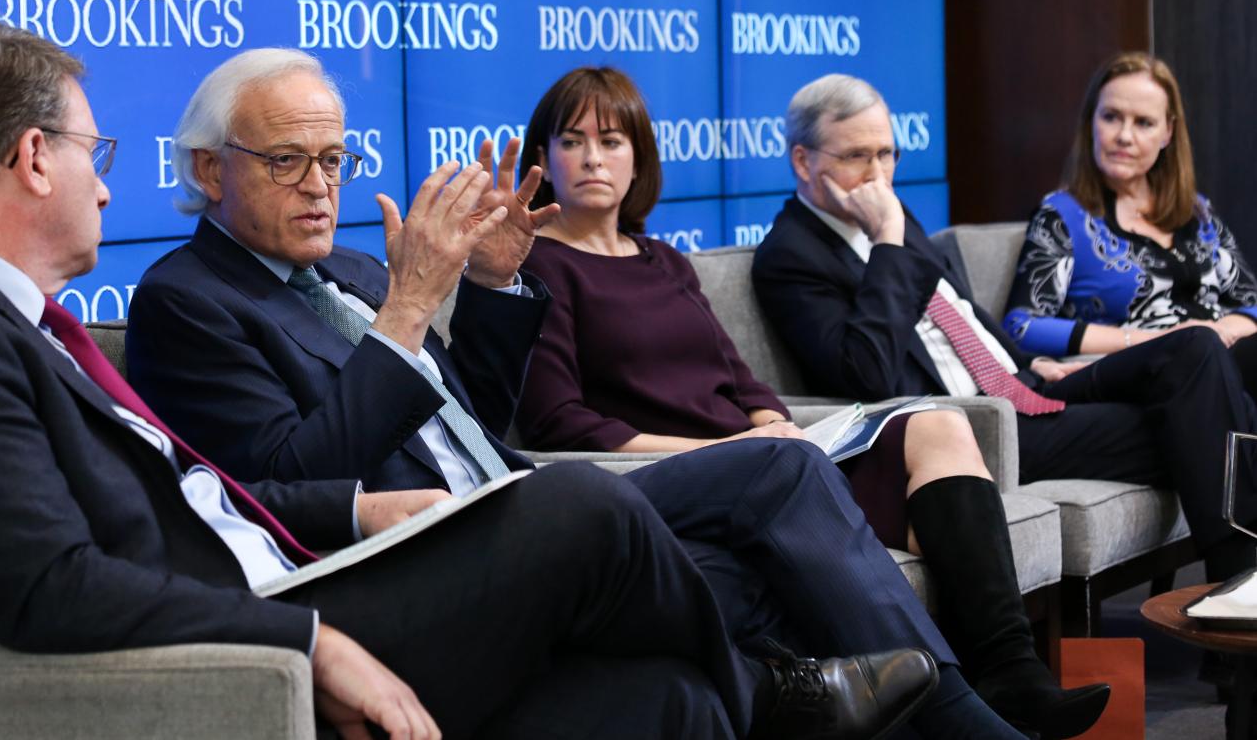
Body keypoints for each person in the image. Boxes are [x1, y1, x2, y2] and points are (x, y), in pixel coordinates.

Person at [0, 20, 941, 740]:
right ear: (33, 158)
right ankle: (782, 694)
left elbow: (259, 485)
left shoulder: (12, 325)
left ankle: (808, 699)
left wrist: (479, 303)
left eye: (333, 160)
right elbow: (53, 587)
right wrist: (309, 639)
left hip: (340, 560)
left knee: (667, 701)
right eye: (92, 155)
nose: (106, 189)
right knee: (583, 506)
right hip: (273, 619)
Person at [127, 46, 1033, 740]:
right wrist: (404, 315)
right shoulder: (187, 301)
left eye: (334, 159)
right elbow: (279, 479)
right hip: (440, 551)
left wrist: (490, 287)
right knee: (687, 576)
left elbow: (472, 416)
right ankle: (813, 696)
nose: (321, 186)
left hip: (512, 495)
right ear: (208, 170)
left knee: (779, 471)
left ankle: (952, 706)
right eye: (288, 161)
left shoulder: (355, 269)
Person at [510, 65, 1107, 740]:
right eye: (573, 141)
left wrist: (773, 422)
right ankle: (957, 714)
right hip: (689, 478)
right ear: (543, 159)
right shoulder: (538, 266)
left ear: (638, 156)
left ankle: (1011, 671)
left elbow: (741, 379)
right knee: (843, 486)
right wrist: (732, 449)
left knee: (936, 424)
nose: (594, 158)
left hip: (770, 467)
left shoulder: (664, 260)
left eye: (612, 140)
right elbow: (560, 422)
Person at [749, 72, 1257, 596]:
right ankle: (1238, 586)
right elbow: (867, 373)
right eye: (857, 156)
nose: (878, 176)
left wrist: (1028, 363)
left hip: (1024, 385)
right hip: (979, 426)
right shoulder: (792, 256)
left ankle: (1238, 587)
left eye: (887, 154)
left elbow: (963, 316)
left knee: (1196, 349)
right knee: (1219, 417)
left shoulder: (892, 214)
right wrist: (887, 245)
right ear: (803, 161)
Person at [1004, 50, 1257, 407]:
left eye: (1143, 123)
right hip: (1138, 370)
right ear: (1091, 122)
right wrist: (1158, 339)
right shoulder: (1062, 215)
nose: (1124, 136)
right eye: (1111, 117)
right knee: (1200, 351)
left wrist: (1221, 330)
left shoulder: (1196, 211)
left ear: (1168, 132)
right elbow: (1022, 326)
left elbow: (1251, 304)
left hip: (1216, 359)